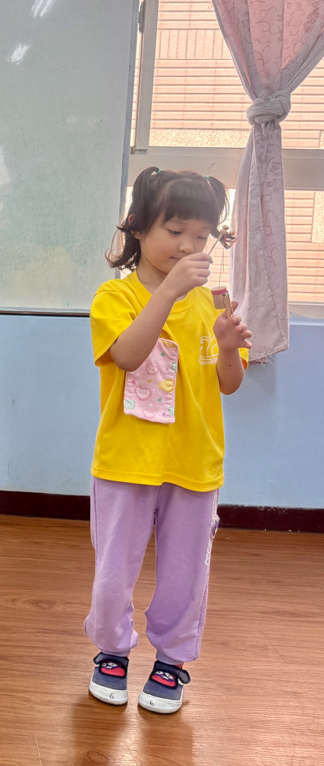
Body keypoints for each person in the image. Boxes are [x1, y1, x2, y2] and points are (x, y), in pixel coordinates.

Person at [86, 167, 251, 714]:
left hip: (194, 462)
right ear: (137, 227)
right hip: (126, 462)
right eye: (175, 230)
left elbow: (228, 383)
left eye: (200, 236)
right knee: (113, 572)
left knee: (186, 572)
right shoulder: (114, 297)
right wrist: (173, 290)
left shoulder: (211, 303)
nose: (187, 246)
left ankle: (173, 659)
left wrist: (229, 347)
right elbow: (129, 355)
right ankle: (112, 651)